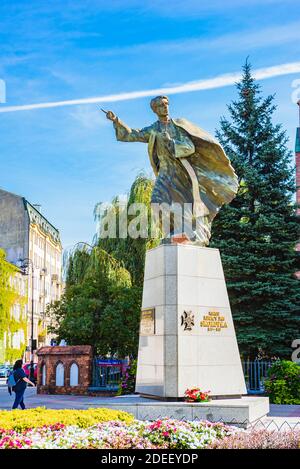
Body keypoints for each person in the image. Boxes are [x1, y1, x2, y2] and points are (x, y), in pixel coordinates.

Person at [104, 96, 238, 246]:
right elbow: (131, 134)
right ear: (155, 110)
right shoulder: (153, 130)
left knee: (183, 202)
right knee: (157, 201)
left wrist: (171, 143)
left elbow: (190, 147)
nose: (165, 107)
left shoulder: (178, 126)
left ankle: (188, 233)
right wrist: (116, 120)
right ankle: (174, 233)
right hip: (165, 172)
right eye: (161, 106)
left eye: (166, 104)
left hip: (182, 171)